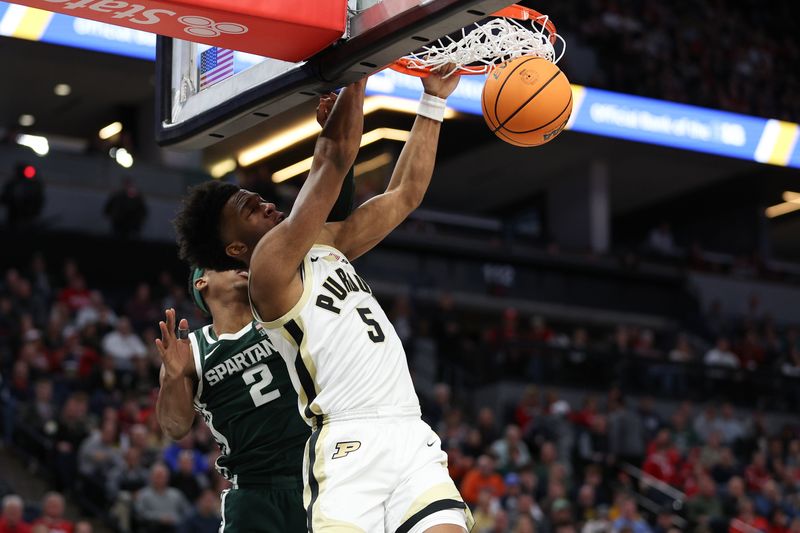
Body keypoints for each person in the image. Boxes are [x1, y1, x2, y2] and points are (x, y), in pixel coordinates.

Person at [173, 71, 470, 532]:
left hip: (410, 431)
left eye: (260, 199)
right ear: (235, 251)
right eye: (250, 210)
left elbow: (404, 195)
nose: (268, 206)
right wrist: (359, 65)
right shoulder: (269, 271)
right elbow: (332, 160)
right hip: (349, 443)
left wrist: (432, 101)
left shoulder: (328, 241)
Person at [156, 93, 356, 533]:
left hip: (319, 476)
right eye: (229, 265)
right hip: (256, 491)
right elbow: (174, 427)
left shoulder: (280, 303)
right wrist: (172, 378)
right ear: (202, 283)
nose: (243, 269)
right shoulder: (193, 349)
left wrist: (339, 146)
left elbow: (332, 227)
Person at [1, 163, 44, 228]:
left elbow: (39, 200)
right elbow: (4, 198)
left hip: (29, 216)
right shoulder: (12, 184)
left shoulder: (35, 185)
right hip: (14, 216)